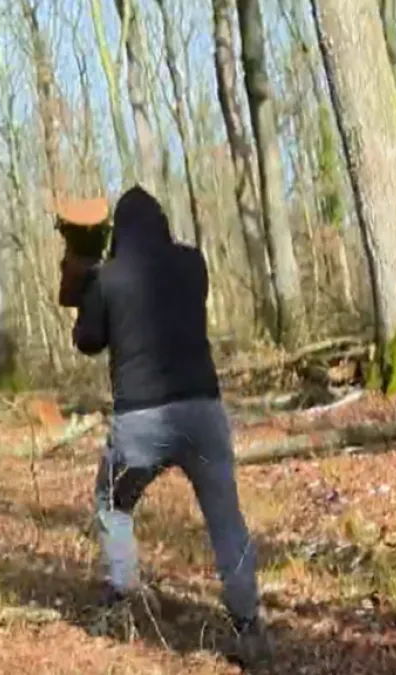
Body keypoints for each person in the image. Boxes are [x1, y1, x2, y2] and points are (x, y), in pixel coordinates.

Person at [70, 186, 272, 665]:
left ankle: (123, 594)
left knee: (112, 501)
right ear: (162, 224)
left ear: (119, 233)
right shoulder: (193, 264)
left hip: (139, 422)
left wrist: (86, 289)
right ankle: (248, 623)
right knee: (227, 520)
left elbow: (88, 340)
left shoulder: (108, 278)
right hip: (202, 411)